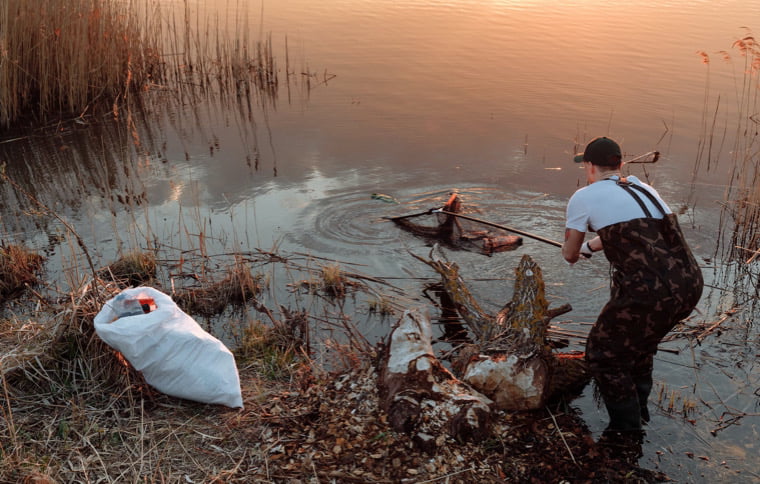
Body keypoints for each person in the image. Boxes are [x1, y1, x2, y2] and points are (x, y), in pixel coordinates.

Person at [562, 137, 703, 433]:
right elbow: (637, 232)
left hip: (648, 292)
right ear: (620, 165)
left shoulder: (583, 196)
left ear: (589, 166)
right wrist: (593, 246)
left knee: (603, 356)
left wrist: (578, 249)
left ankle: (626, 433)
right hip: (689, 284)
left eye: (586, 164)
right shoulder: (643, 188)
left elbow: (569, 254)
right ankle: (640, 414)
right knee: (640, 347)